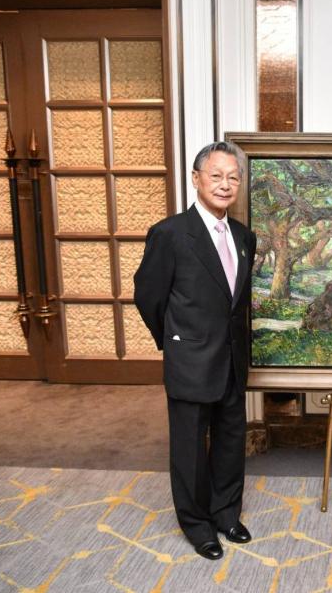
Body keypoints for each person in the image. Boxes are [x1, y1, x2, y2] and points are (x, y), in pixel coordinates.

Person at [135, 141, 257, 560]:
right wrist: (175, 342)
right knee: (189, 449)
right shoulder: (169, 234)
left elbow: (235, 301)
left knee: (230, 441)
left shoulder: (244, 237)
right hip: (190, 361)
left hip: (232, 361)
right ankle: (197, 525)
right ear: (196, 179)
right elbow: (148, 297)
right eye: (216, 175)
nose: (225, 184)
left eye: (233, 177)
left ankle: (226, 514)